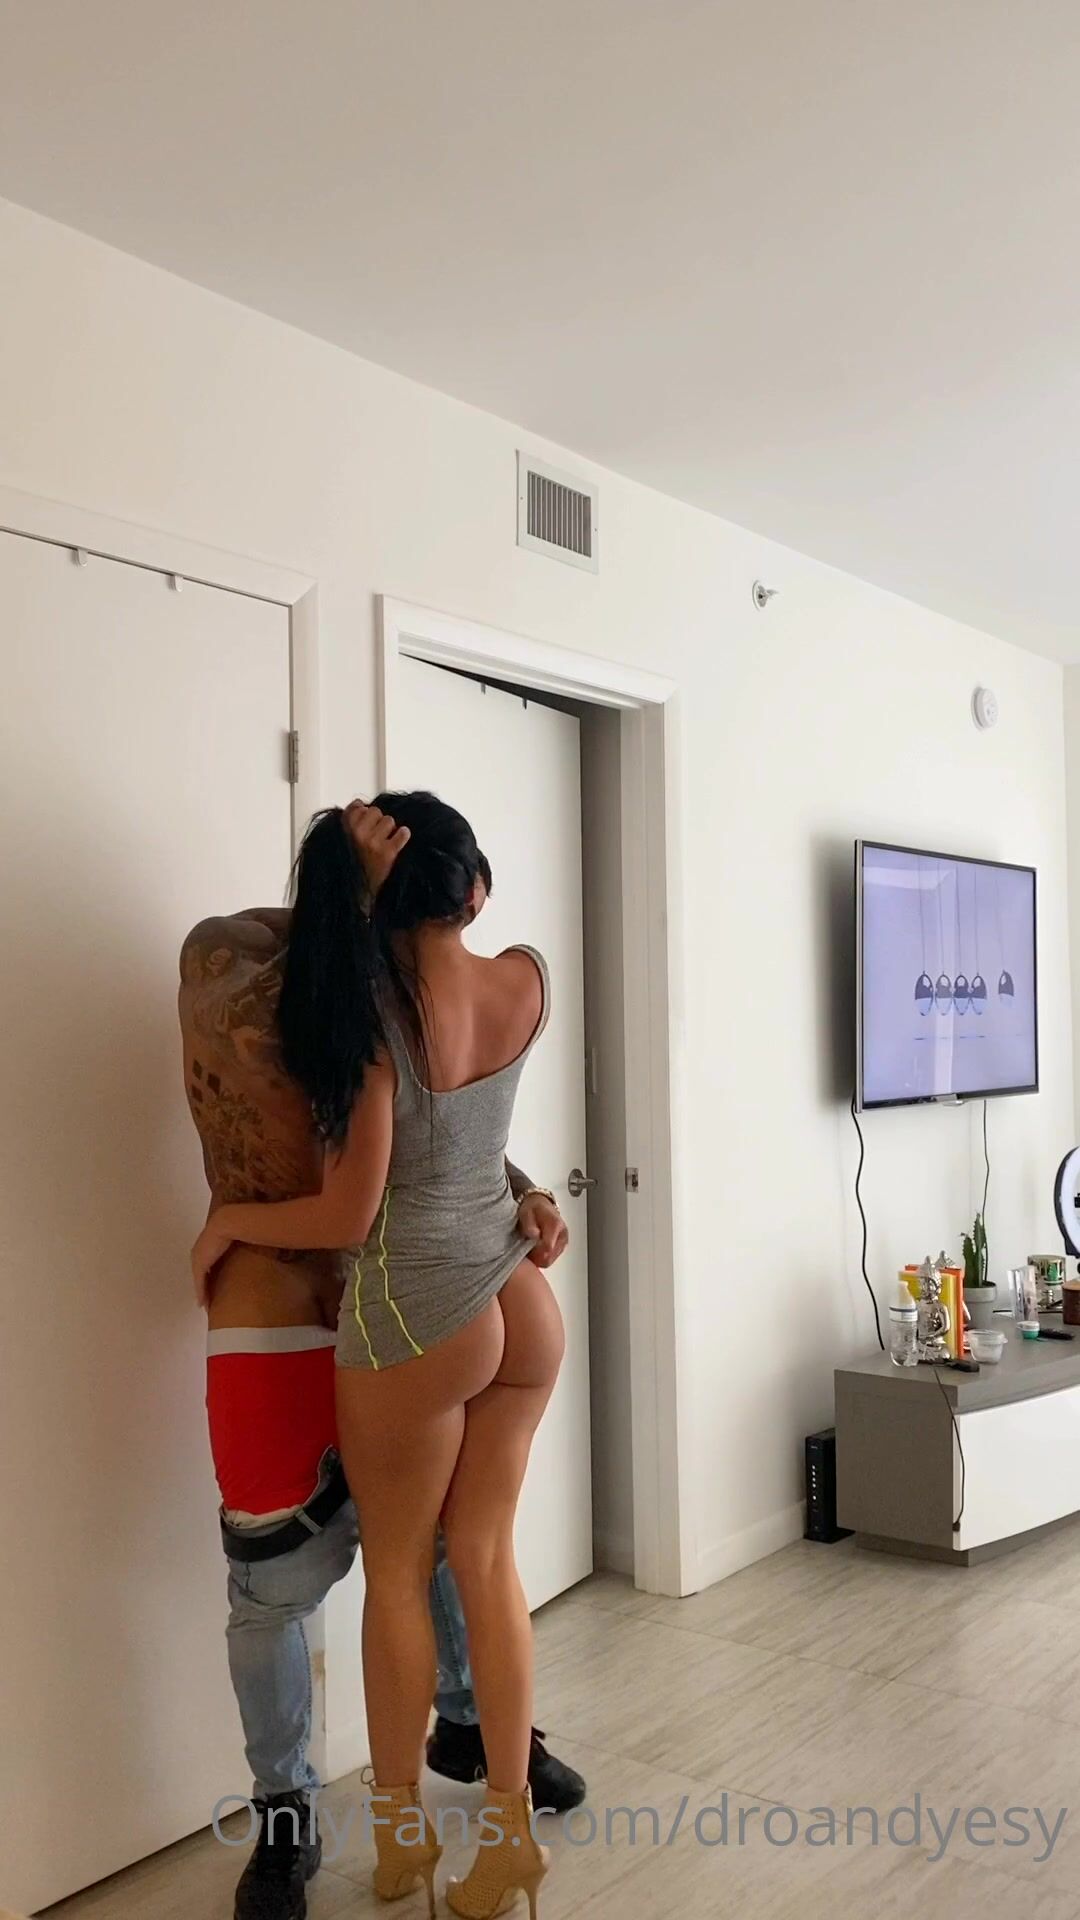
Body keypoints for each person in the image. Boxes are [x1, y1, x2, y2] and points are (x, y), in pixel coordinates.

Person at [180, 813, 581, 1920]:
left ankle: (403, 1845)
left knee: (399, 1575)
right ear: (476, 890)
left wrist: (229, 1224)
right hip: (520, 1299)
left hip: (419, 1312)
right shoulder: (524, 980)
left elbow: (350, 1212)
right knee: (486, 1560)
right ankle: (508, 1835)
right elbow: (466, 1134)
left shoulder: (373, 1023)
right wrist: (533, 1197)